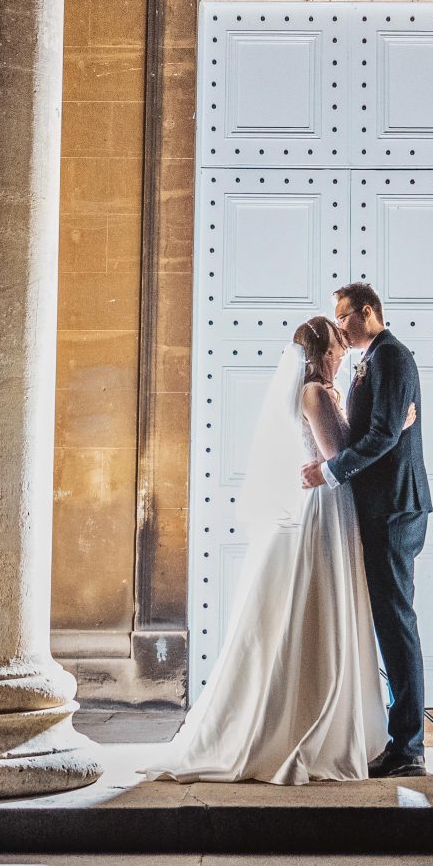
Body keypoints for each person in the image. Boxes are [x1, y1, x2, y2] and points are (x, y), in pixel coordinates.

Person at [139, 315, 387, 783]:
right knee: (315, 607)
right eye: (337, 346)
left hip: (331, 504)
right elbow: (336, 454)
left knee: (323, 607)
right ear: (323, 353)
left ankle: (330, 720)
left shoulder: (324, 391)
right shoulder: (314, 392)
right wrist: (386, 431)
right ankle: (302, 726)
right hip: (321, 507)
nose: (343, 352)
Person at [302, 282, 433, 779]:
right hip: (380, 506)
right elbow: (378, 431)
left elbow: (380, 435)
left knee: (396, 623)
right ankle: (402, 738)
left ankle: (408, 747)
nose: (340, 327)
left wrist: (331, 472)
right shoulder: (373, 359)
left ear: (368, 312)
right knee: (389, 621)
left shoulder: (391, 357)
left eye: (345, 316)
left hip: (395, 508)